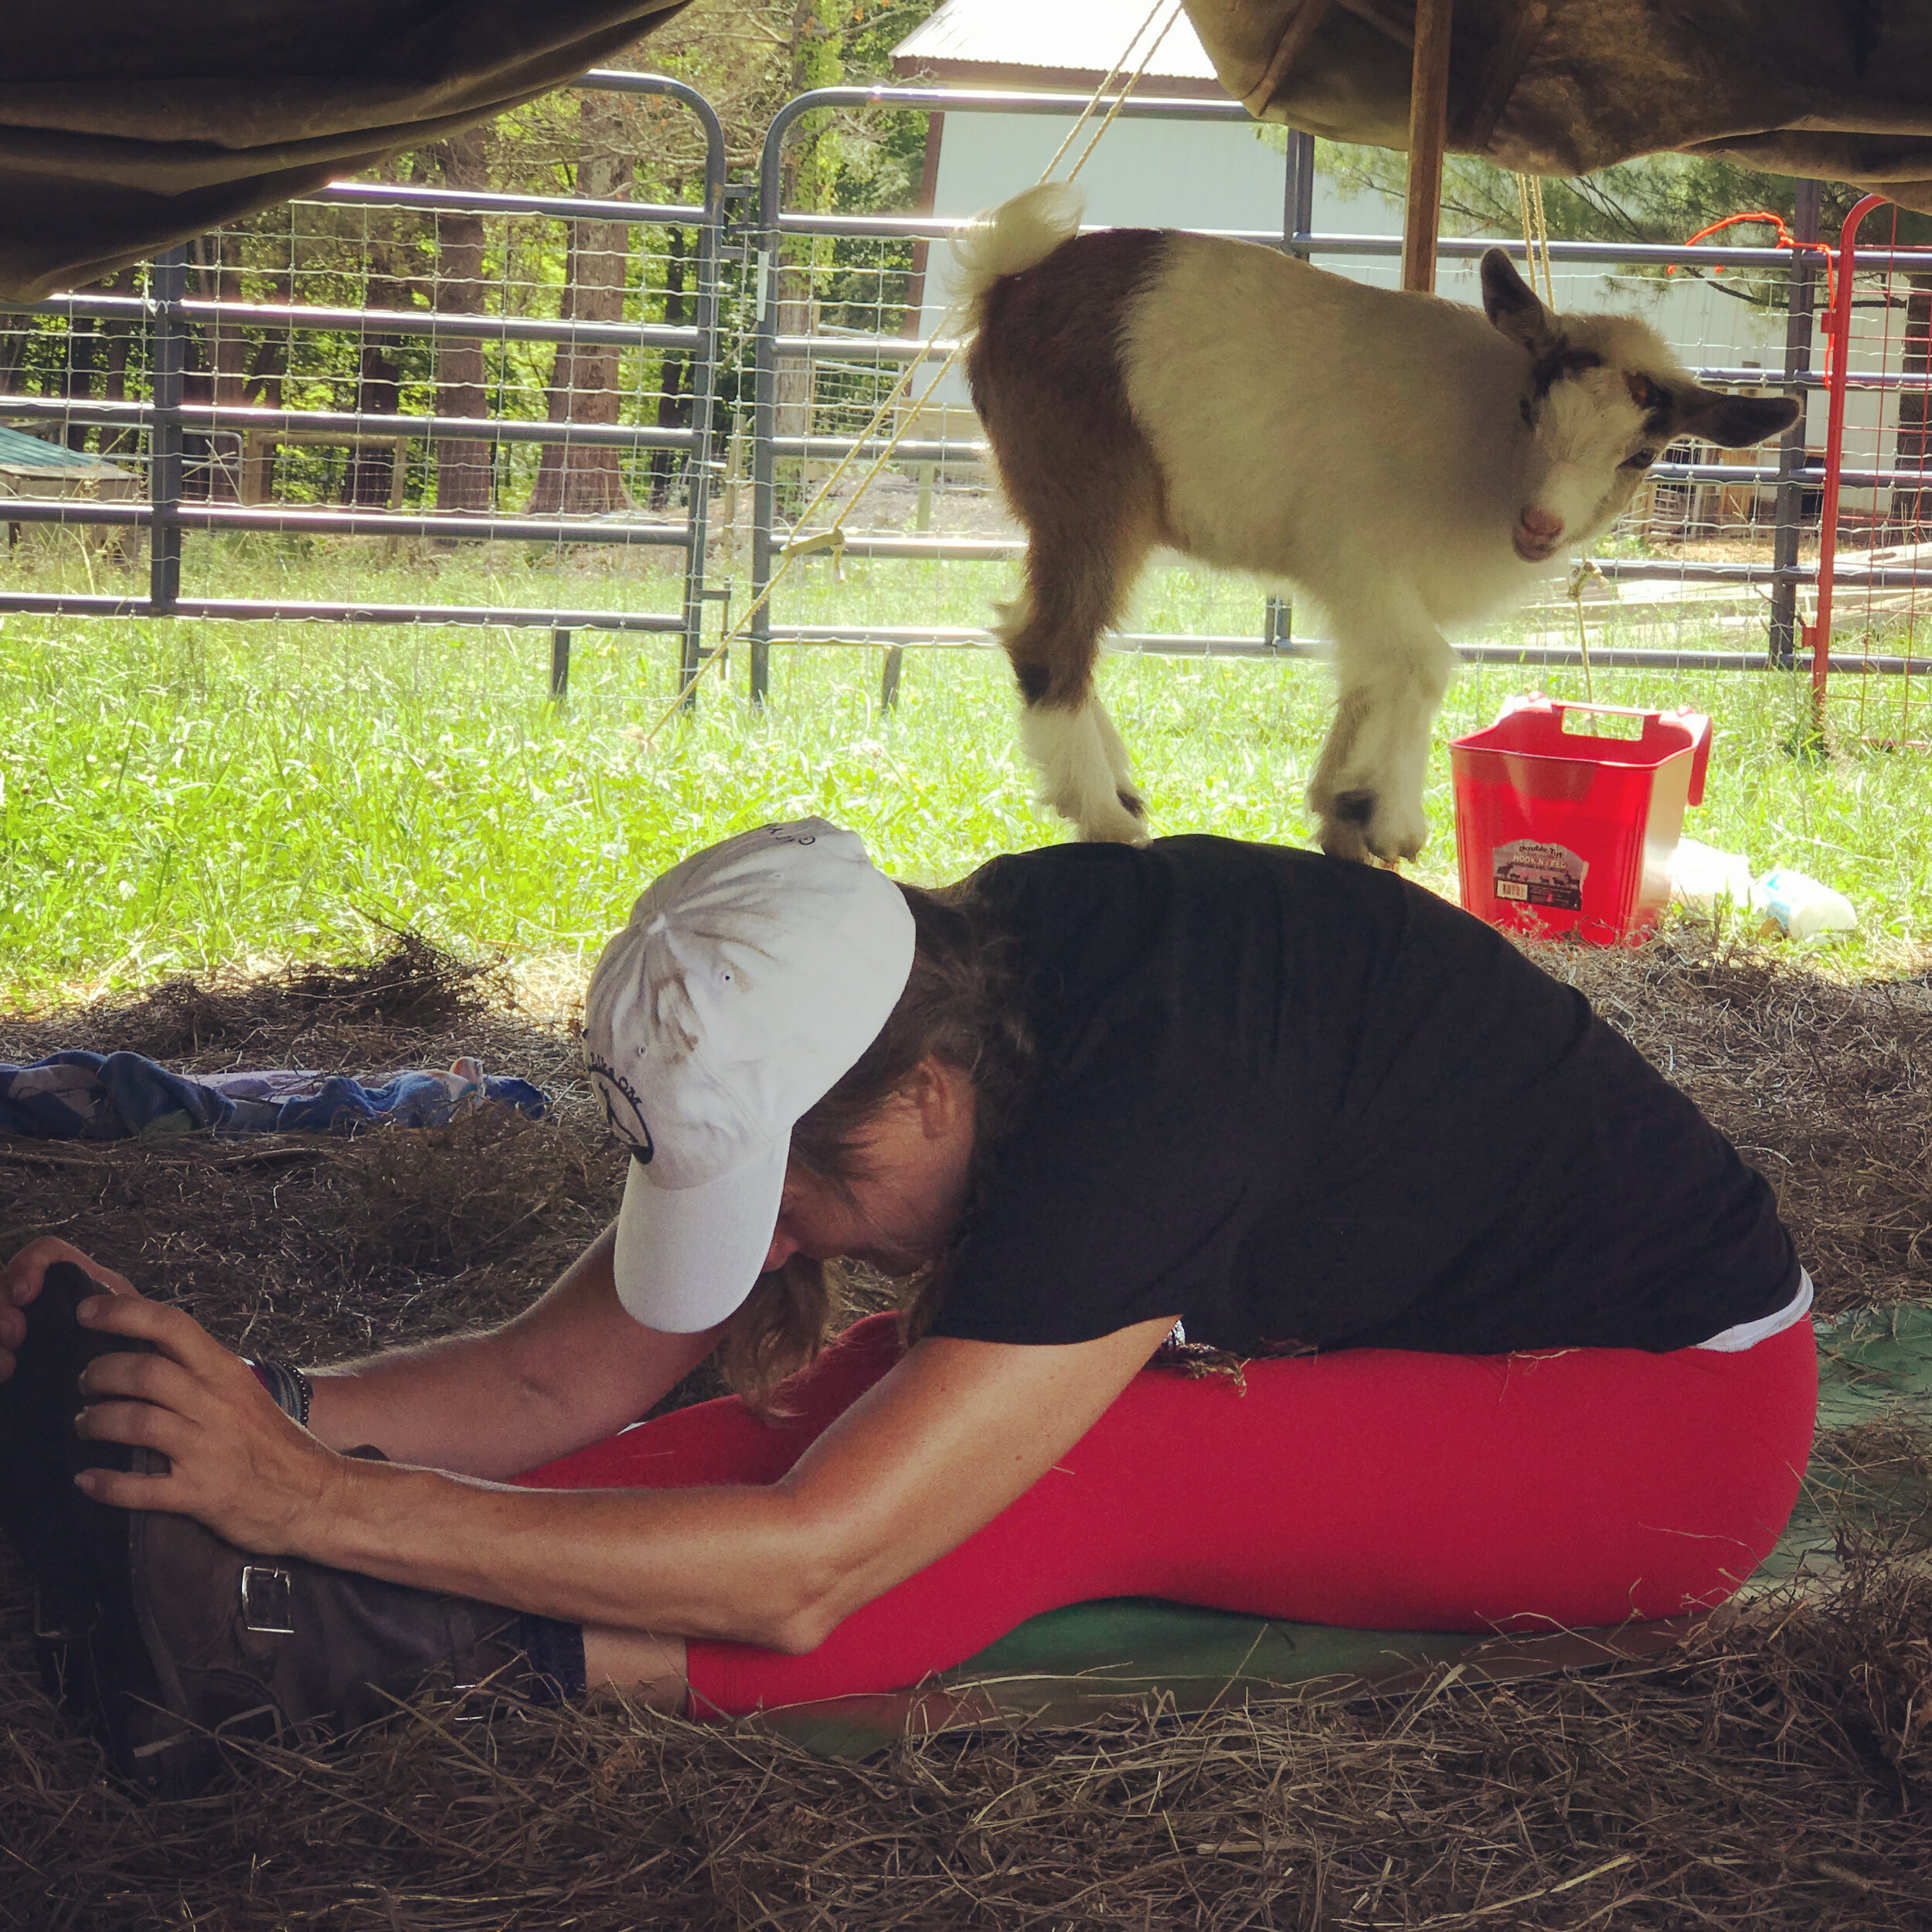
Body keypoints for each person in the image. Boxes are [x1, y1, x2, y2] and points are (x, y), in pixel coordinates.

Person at [0, 818, 1817, 1799]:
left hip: (1656, 1427)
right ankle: (232, 1560)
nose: (779, 1237)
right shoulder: (931, 994)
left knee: (1054, 1467)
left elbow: (813, 1559)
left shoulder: (1145, 1103)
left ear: (924, 1098)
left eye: (802, 1190)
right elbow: (565, 1366)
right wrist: (228, 1405)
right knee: (861, 1384)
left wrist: (312, 1508)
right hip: (1411, 1345)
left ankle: (299, 1625)